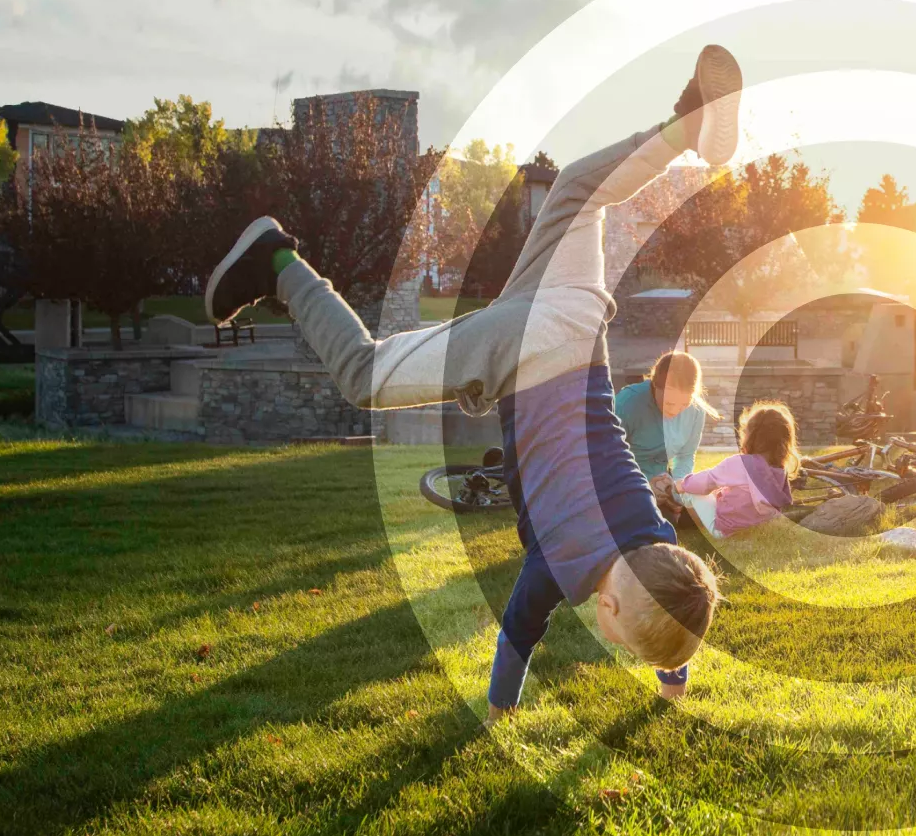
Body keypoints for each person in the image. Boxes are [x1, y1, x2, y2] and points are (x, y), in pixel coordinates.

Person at [202, 46, 743, 711]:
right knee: (364, 374)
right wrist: (500, 711)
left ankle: (688, 125)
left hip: (573, 320)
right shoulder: (555, 567)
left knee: (578, 190)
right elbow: (518, 633)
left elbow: (679, 593)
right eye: (622, 640)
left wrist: (674, 672)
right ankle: (277, 261)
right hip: (527, 351)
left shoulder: (656, 536)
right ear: (605, 609)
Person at [667, 400, 797, 536]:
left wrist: (680, 485)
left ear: (749, 436)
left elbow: (707, 480)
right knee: (714, 492)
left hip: (725, 529)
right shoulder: (780, 469)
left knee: (692, 490)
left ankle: (680, 513)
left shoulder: (741, 463)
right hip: (758, 524)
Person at [616, 351, 710, 492]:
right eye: (669, 403)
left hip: (662, 486)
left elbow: (685, 457)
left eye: (684, 404)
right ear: (654, 385)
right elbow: (605, 458)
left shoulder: (697, 411)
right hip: (623, 487)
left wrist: (677, 490)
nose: (675, 410)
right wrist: (644, 487)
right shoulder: (627, 403)